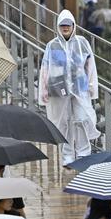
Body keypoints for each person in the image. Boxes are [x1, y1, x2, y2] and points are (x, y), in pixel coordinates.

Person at [39, 9, 99, 166]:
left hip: (80, 89)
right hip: (59, 91)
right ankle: (67, 156)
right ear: (58, 26)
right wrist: (44, 90)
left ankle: (83, 153)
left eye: (68, 25)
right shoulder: (52, 46)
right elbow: (45, 68)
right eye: (62, 25)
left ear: (73, 25)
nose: (65, 28)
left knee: (81, 119)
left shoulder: (82, 43)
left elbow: (90, 65)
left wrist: (92, 86)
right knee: (64, 123)